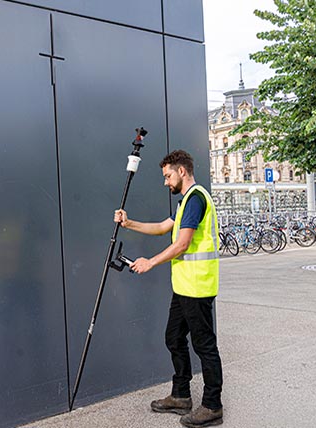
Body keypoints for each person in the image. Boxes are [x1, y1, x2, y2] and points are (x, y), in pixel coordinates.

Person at [114, 150, 223, 428]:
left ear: (182, 171)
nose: (165, 182)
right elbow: (164, 227)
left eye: (167, 176)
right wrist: (129, 223)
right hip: (184, 286)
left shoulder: (196, 199)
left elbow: (183, 244)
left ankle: (212, 405)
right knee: (173, 338)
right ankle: (181, 395)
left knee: (205, 346)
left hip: (197, 287)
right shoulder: (185, 201)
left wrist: (150, 262)